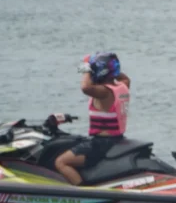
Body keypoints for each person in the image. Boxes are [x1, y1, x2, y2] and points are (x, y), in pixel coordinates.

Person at [54, 52, 131, 186]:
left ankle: (83, 192)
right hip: (116, 139)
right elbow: (123, 77)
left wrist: (86, 67)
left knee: (61, 162)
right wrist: (110, 67)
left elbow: (85, 87)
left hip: (101, 144)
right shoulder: (123, 86)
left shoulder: (105, 92)